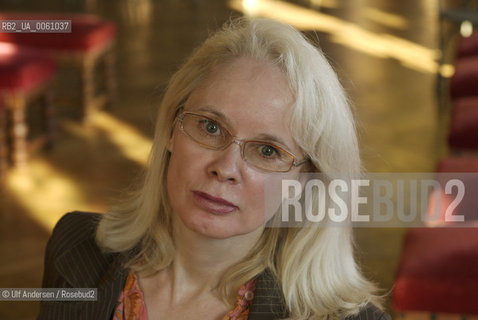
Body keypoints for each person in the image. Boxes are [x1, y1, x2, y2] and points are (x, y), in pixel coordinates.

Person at [38, 17, 390, 320]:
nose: (225, 168)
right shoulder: (74, 246)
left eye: (267, 150)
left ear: (304, 181)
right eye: (210, 127)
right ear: (172, 129)